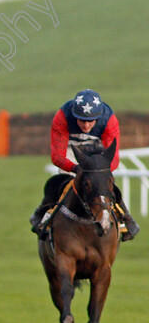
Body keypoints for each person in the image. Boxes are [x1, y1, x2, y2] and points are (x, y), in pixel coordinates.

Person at [30, 89, 139, 241]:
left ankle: (125, 218)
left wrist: (96, 172)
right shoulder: (62, 117)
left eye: (91, 121)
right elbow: (57, 157)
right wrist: (76, 169)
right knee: (61, 182)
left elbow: (113, 159)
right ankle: (42, 215)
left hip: (96, 153)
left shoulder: (109, 120)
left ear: (98, 117)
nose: (86, 126)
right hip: (70, 151)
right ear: (75, 116)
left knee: (104, 184)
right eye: (82, 120)